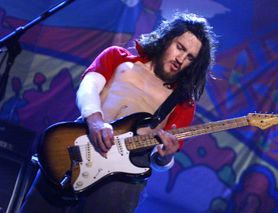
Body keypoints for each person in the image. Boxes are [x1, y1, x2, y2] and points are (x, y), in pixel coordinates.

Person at [19, 12, 217, 213]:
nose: (181, 58)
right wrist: (96, 121)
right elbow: (87, 88)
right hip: (74, 153)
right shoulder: (117, 57)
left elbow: (160, 160)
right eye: (180, 47)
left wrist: (165, 157)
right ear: (167, 39)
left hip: (119, 184)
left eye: (190, 57)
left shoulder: (183, 103)